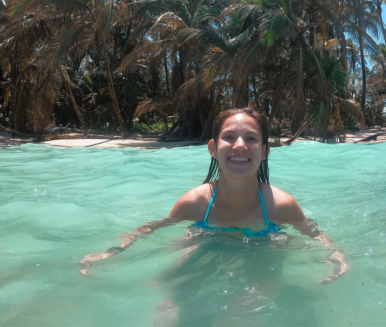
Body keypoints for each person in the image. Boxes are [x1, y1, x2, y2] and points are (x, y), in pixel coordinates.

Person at [79, 107, 348, 285]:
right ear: (212, 148)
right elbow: (152, 228)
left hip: (263, 245)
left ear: (265, 150)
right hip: (205, 239)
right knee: (168, 287)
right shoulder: (196, 203)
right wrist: (111, 252)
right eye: (229, 137)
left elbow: (314, 234)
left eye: (252, 139)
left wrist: (336, 256)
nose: (240, 145)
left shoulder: (280, 206)